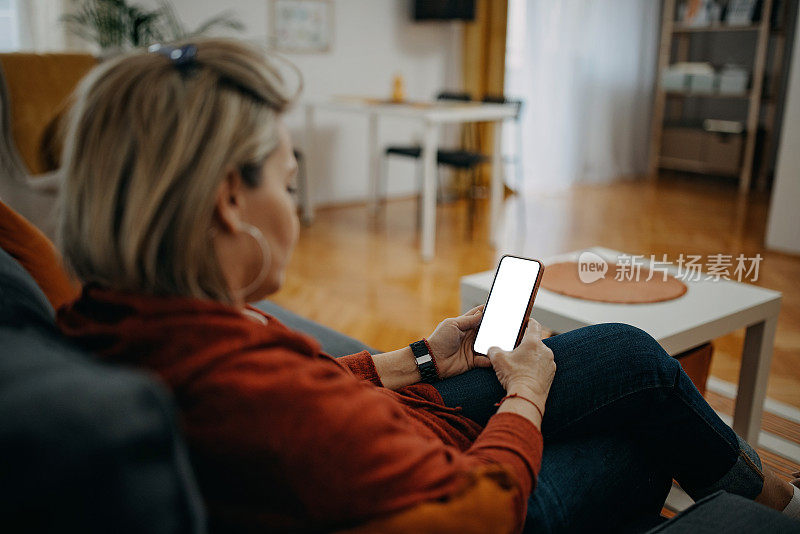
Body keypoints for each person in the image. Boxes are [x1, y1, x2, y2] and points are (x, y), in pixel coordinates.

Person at [55, 39, 799, 533]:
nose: (294, 207)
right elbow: (478, 509)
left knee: (632, 358)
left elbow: (307, 383)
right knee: (643, 438)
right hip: (463, 481)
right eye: (287, 181)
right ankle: (774, 505)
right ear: (228, 199)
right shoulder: (246, 394)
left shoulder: (124, 319)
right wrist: (526, 396)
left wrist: (414, 358)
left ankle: (769, 494)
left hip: (407, 419)